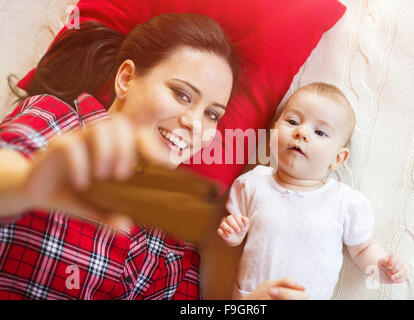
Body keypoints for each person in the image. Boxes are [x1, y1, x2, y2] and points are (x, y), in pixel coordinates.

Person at [0, 13, 306, 300]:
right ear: (126, 79)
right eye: (181, 94)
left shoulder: (173, 232)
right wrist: (28, 183)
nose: (195, 123)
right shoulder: (57, 121)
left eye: (212, 114)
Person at [217, 82, 408, 300]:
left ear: (338, 158)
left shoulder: (343, 202)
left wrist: (381, 267)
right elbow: (235, 231)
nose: (301, 132)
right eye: (292, 121)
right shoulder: (252, 184)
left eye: (320, 132)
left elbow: (363, 250)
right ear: (272, 132)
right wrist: (233, 234)